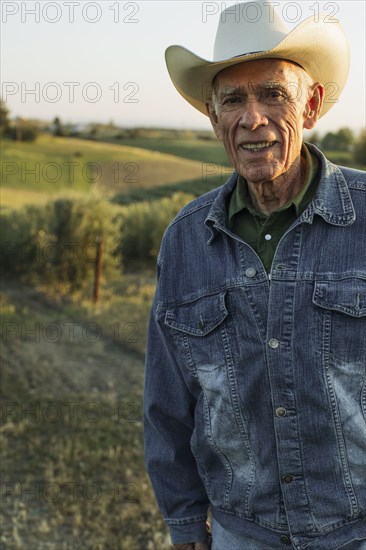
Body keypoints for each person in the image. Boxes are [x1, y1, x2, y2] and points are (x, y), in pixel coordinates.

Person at [144, 1, 366, 549]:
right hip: (241, 534)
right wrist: (182, 516)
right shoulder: (186, 240)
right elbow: (167, 401)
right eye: (234, 100)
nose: (253, 119)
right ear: (213, 115)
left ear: (311, 105)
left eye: (273, 95)